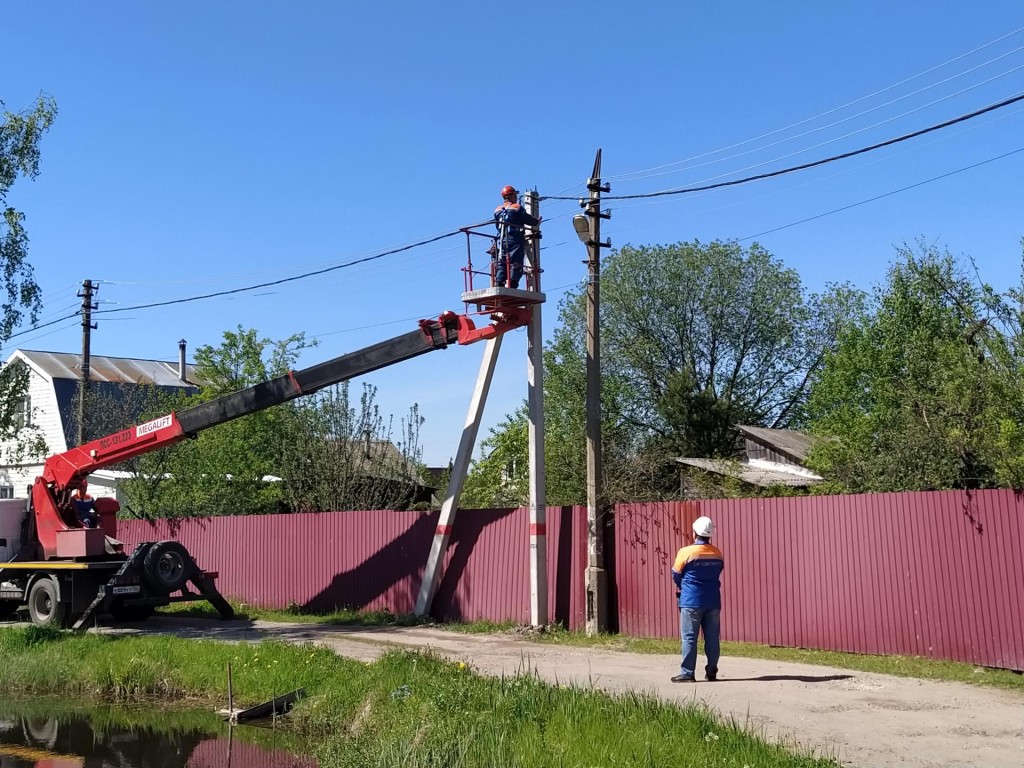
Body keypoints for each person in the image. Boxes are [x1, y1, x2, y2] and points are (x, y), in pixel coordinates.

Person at [670, 515, 724, 682]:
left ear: (694, 532)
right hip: (713, 601)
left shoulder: (686, 552)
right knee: (712, 637)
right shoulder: (717, 553)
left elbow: (676, 575)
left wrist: (687, 586)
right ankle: (712, 671)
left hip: (691, 601)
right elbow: (718, 572)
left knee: (689, 637)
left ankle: (687, 673)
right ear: (710, 534)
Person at [493, 185, 540, 289]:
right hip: (515, 238)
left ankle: (499, 283)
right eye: (515, 195)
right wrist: (537, 222)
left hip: (502, 240)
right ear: (512, 195)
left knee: (502, 260)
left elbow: (497, 226)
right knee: (516, 262)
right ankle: (513, 284)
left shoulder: (497, 210)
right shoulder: (517, 208)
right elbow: (528, 219)